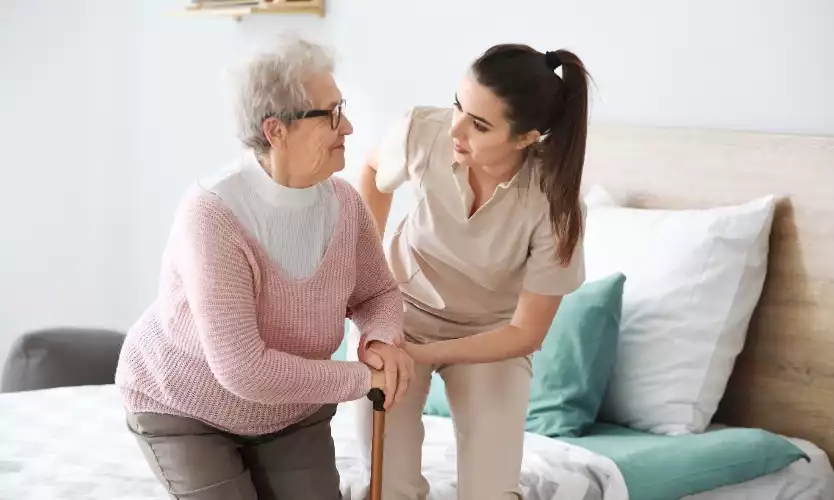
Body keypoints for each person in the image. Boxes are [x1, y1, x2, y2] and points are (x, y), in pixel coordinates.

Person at [114, 35, 413, 500]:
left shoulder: (345, 203)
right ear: (276, 130)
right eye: (331, 114)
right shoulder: (213, 215)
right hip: (184, 406)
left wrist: (381, 341)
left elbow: (377, 294)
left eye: (343, 108)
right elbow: (245, 371)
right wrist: (363, 378)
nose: (349, 127)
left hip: (290, 412)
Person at [350, 44, 591, 499]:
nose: (456, 128)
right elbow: (372, 170)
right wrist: (369, 281)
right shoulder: (424, 130)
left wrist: (418, 356)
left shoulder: (555, 208)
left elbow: (526, 333)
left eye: (479, 124)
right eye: (459, 105)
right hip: (399, 316)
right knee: (383, 487)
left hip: (491, 337)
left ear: (526, 138)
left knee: (490, 493)